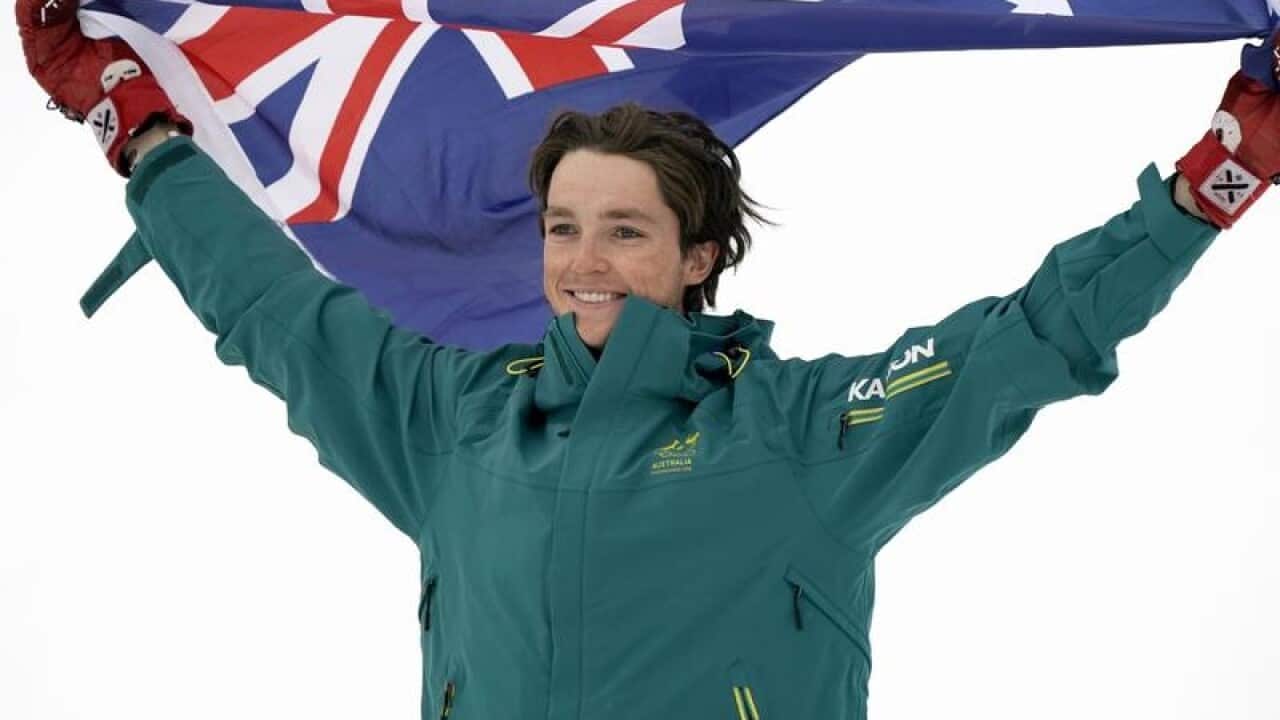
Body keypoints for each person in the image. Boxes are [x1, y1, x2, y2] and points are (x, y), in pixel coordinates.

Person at [18, 0, 1279, 718]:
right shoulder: (451, 426)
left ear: (697, 255)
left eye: (624, 231)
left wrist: (1210, 180)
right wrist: (138, 126)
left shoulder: (804, 432)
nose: (584, 262)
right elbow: (269, 311)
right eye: (564, 228)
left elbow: (1028, 341)